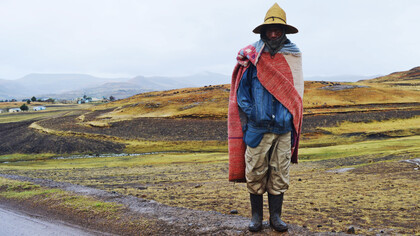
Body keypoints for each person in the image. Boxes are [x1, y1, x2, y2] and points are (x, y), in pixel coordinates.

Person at [228, 3, 304, 232]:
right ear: (263, 32)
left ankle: (276, 218)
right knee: (256, 172)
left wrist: (288, 119)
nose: (273, 34)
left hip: (283, 128)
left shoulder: (292, 57)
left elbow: (296, 95)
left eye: (277, 30)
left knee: (279, 173)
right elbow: (243, 94)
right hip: (258, 128)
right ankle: (256, 218)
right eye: (269, 30)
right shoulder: (252, 58)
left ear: (283, 32)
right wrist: (255, 115)